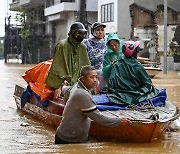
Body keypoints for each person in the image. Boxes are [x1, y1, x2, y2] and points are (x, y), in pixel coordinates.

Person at [55, 65, 131, 144]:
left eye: (96, 77)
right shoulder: (82, 94)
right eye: (92, 77)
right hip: (68, 140)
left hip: (68, 136)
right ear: (83, 79)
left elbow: (66, 90)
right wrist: (118, 121)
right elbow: (98, 117)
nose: (95, 80)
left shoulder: (76, 86)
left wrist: (62, 87)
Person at [101, 41, 160, 105]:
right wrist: (137, 91)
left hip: (118, 95)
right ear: (135, 53)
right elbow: (148, 84)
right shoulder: (138, 66)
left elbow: (112, 84)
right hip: (136, 94)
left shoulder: (116, 64)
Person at [45, 22, 90, 100]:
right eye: (79, 33)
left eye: (83, 34)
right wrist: (57, 86)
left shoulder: (83, 47)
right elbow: (58, 67)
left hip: (78, 84)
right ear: (73, 32)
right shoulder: (62, 46)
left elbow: (86, 67)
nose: (81, 36)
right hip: (64, 84)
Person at [83, 22, 107, 91]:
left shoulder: (105, 44)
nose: (100, 32)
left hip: (102, 71)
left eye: (102, 30)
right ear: (93, 31)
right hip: (89, 70)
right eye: (98, 30)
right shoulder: (86, 43)